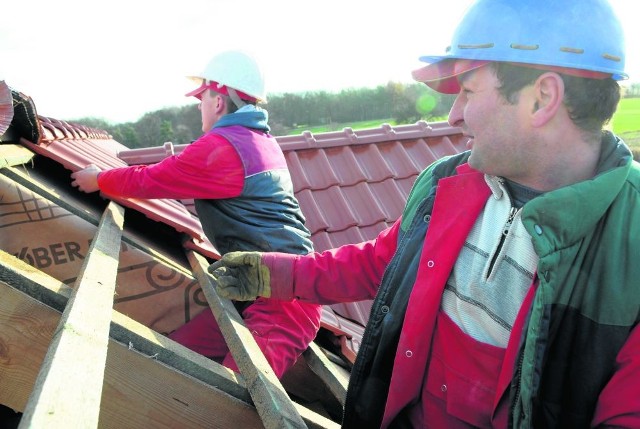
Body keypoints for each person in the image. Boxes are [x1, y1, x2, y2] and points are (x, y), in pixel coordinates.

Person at [207, 1, 640, 427]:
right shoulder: (446, 182)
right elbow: (383, 262)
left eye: (468, 91)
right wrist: (276, 275)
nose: (454, 115)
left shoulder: (632, 239)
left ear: (542, 98)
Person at [70, 50, 322, 379]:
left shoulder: (223, 147)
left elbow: (152, 179)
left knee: (236, 400)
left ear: (218, 100)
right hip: (255, 288)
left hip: (284, 301)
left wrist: (98, 179)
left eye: (201, 97)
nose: (198, 105)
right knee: (175, 358)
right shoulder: (258, 140)